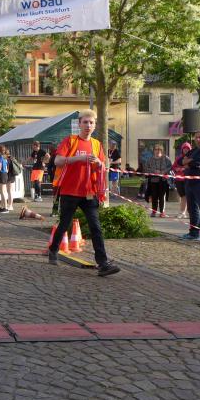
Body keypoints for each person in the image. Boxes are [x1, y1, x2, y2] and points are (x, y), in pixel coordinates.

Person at [47, 109, 120, 276]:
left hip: (89, 192)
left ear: (95, 125)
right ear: (79, 124)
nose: (88, 125)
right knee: (64, 224)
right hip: (70, 191)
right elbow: (57, 161)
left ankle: (103, 263)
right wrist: (78, 158)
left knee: (96, 227)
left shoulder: (97, 144)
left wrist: (99, 163)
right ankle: (53, 250)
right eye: (85, 122)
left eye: (91, 123)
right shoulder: (70, 141)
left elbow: (103, 166)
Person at [144, 145, 173, 217]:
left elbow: (170, 167)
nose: (157, 151)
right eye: (156, 149)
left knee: (162, 196)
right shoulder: (150, 159)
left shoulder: (166, 158)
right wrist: (154, 171)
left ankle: (162, 212)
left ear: (162, 150)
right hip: (153, 181)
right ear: (153, 151)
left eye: (159, 149)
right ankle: (154, 211)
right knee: (154, 196)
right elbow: (146, 168)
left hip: (163, 180)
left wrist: (163, 171)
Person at [172, 142, 192, 218]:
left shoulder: (191, 158)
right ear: (182, 150)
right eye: (184, 148)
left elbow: (191, 167)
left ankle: (191, 213)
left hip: (188, 180)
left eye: (187, 149)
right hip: (179, 180)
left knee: (189, 196)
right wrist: (176, 169)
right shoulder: (178, 158)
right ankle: (182, 212)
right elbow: (173, 167)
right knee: (183, 196)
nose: (186, 150)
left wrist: (184, 169)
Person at [0, 145, 10, 212]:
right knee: (2, 192)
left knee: (2, 192)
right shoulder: (5, 156)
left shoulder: (0, 156)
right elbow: (7, 167)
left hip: (1, 174)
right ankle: (2, 206)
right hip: (5, 174)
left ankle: (5, 207)